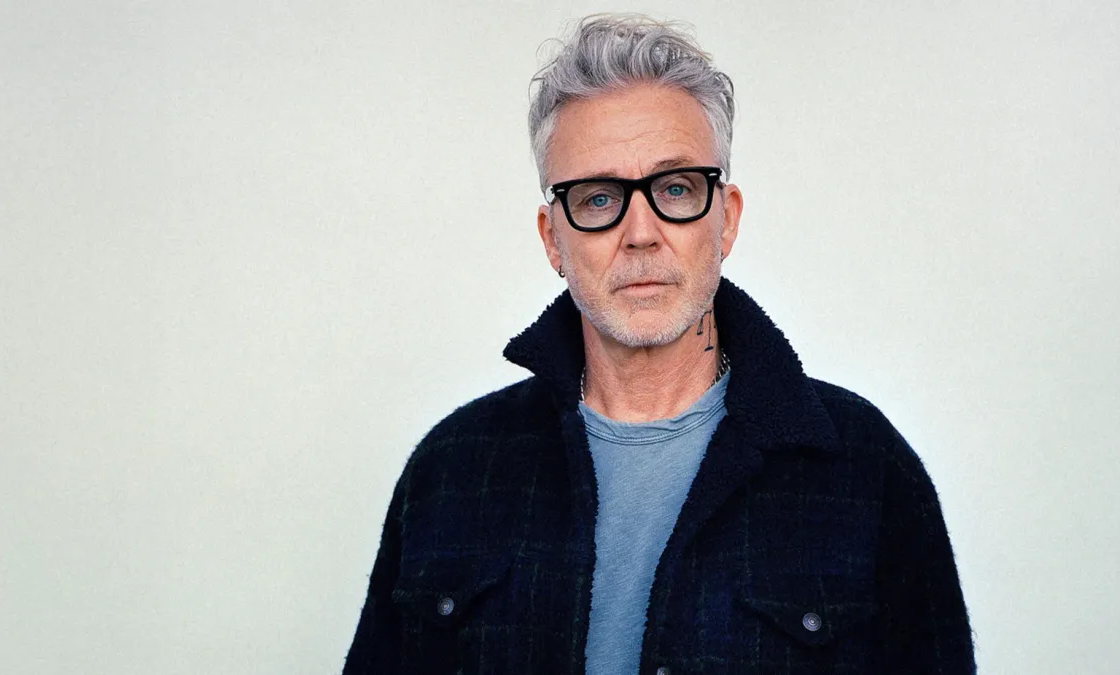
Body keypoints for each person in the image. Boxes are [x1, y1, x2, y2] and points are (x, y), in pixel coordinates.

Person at [344, 13, 975, 675]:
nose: (641, 233)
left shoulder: (867, 469)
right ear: (553, 239)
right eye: (597, 199)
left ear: (725, 221)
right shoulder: (450, 471)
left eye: (675, 189)